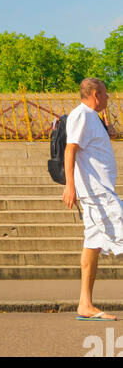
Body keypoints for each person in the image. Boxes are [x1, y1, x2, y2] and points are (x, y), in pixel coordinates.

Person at [63, 77, 123, 320]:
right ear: (96, 94)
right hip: (98, 194)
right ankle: (85, 304)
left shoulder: (92, 117)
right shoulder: (82, 115)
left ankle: (85, 304)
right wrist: (70, 187)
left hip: (100, 192)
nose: (108, 98)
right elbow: (71, 149)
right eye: (106, 94)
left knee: (92, 244)